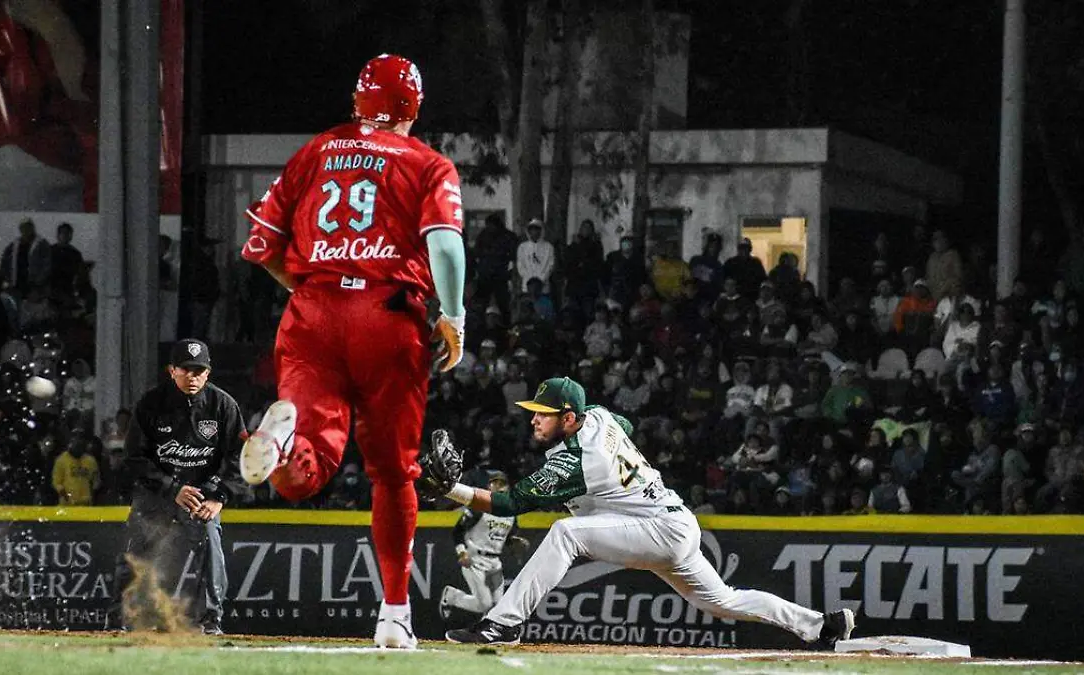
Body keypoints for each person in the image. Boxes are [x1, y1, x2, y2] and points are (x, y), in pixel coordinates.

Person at [237, 55, 466, 649]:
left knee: (303, 476)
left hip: (311, 313)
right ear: (413, 106)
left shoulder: (318, 149)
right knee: (393, 474)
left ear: (358, 100)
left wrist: (313, 290)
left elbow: (262, 246)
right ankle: (394, 616)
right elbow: (444, 245)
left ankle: (285, 443)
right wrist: (454, 315)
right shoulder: (429, 163)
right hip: (388, 318)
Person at [421, 376, 855, 647]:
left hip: (659, 528)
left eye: (544, 414)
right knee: (724, 600)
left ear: (569, 418)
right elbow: (623, 427)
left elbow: (507, 504)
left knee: (566, 533)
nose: (534, 419)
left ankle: (503, 625)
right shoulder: (600, 416)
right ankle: (820, 626)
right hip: (674, 521)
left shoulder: (573, 462)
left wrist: (450, 488)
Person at [111, 339, 246, 635]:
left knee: (211, 545)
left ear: (208, 373)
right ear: (171, 370)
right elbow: (134, 458)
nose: (192, 376)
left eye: (199, 370)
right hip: (156, 494)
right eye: (186, 369)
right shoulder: (150, 404)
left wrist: (219, 497)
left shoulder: (223, 406)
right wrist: (171, 488)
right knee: (134, 553)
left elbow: (240, 458)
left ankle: (210, 621)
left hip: (202, 496)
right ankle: (126, 620)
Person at [438, 471, 529, 620]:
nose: (499, 487)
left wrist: (513, 541)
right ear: (489, 487)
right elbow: (457, 531)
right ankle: (452, 596)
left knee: (499, 605)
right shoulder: (479, 507)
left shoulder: (511, 514)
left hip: (495, 563)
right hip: (475, 559)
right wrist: (462, 552)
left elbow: (506, 538)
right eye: (495, 483)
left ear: (507, 488)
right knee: (485, 605)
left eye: (502, 484)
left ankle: (487, 636)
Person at [51, 434, 100, 506]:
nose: (78, 444)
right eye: (75, 442)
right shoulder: (61, 460)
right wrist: (67, 497)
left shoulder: (90, 461)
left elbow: (96, 481)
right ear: (70, 443)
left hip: (85, 505)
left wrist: (91, 496)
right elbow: (56, 482)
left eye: (80, 442)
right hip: (67, 506)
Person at [516, 218, 556, 293]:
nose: (534, 232)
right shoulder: (522, 247)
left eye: (536, 229)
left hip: (543, 285)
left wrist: (541, 279)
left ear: (541, 231)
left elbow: (550, 265)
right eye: (531, 230)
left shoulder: (548, 247)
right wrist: (529, 279)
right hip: (527, 285)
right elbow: (520, 265)